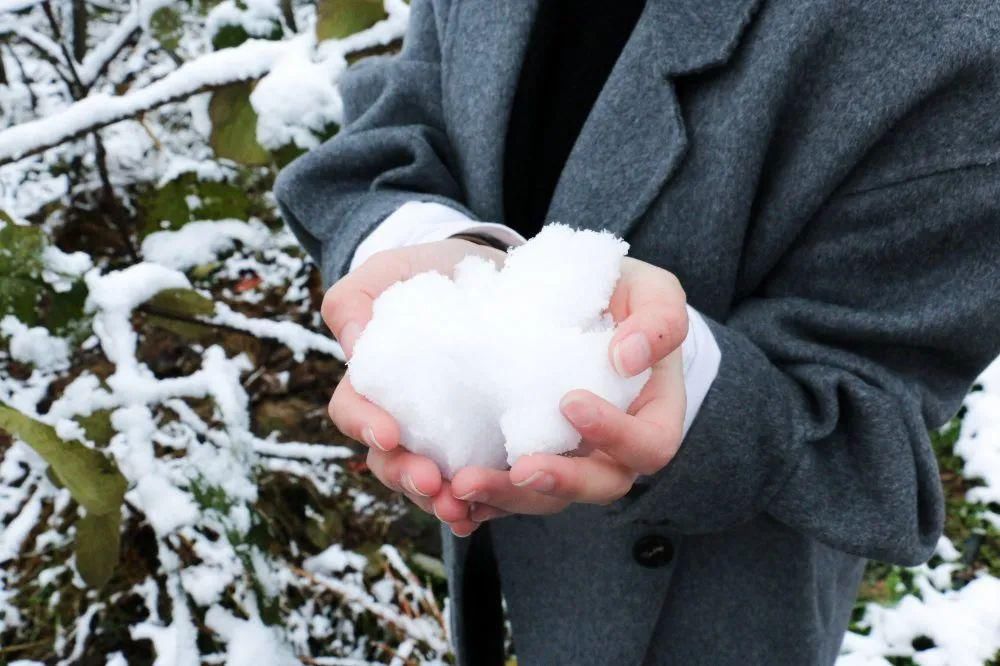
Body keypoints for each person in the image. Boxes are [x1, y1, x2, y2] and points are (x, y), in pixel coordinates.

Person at [273, 0, 1000, 663]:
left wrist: (671, 373)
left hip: (701, 618)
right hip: (485, 576)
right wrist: (430, 256)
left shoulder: (947, 27)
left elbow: (873, 432)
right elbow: (410, 114)